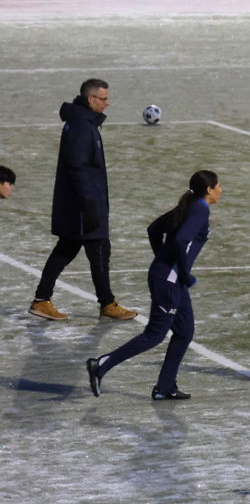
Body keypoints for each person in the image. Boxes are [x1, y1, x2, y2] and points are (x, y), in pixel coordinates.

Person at [85, 171, 222, 399]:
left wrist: (164, 261)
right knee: (155, 334)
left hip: (171, 278)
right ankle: (101, 365)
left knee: (184, 331)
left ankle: (165, 388)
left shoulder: (190, 206)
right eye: (218, 186)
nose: (221, 190)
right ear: (209, 190)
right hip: (170, 281)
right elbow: (180, 240)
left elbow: (154, 230)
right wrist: (181, 271)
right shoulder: (200, 209)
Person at [31, 79, 136, 322]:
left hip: (79, 203)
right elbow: (78, 168)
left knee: (67, 248)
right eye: (103, 99)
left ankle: (41, 300)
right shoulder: (82, 127)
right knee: (99, 250)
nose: (107, 104)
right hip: (83, 205)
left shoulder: (81, 122)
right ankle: (107, 303)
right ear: (91, 99)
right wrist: (89, 205)